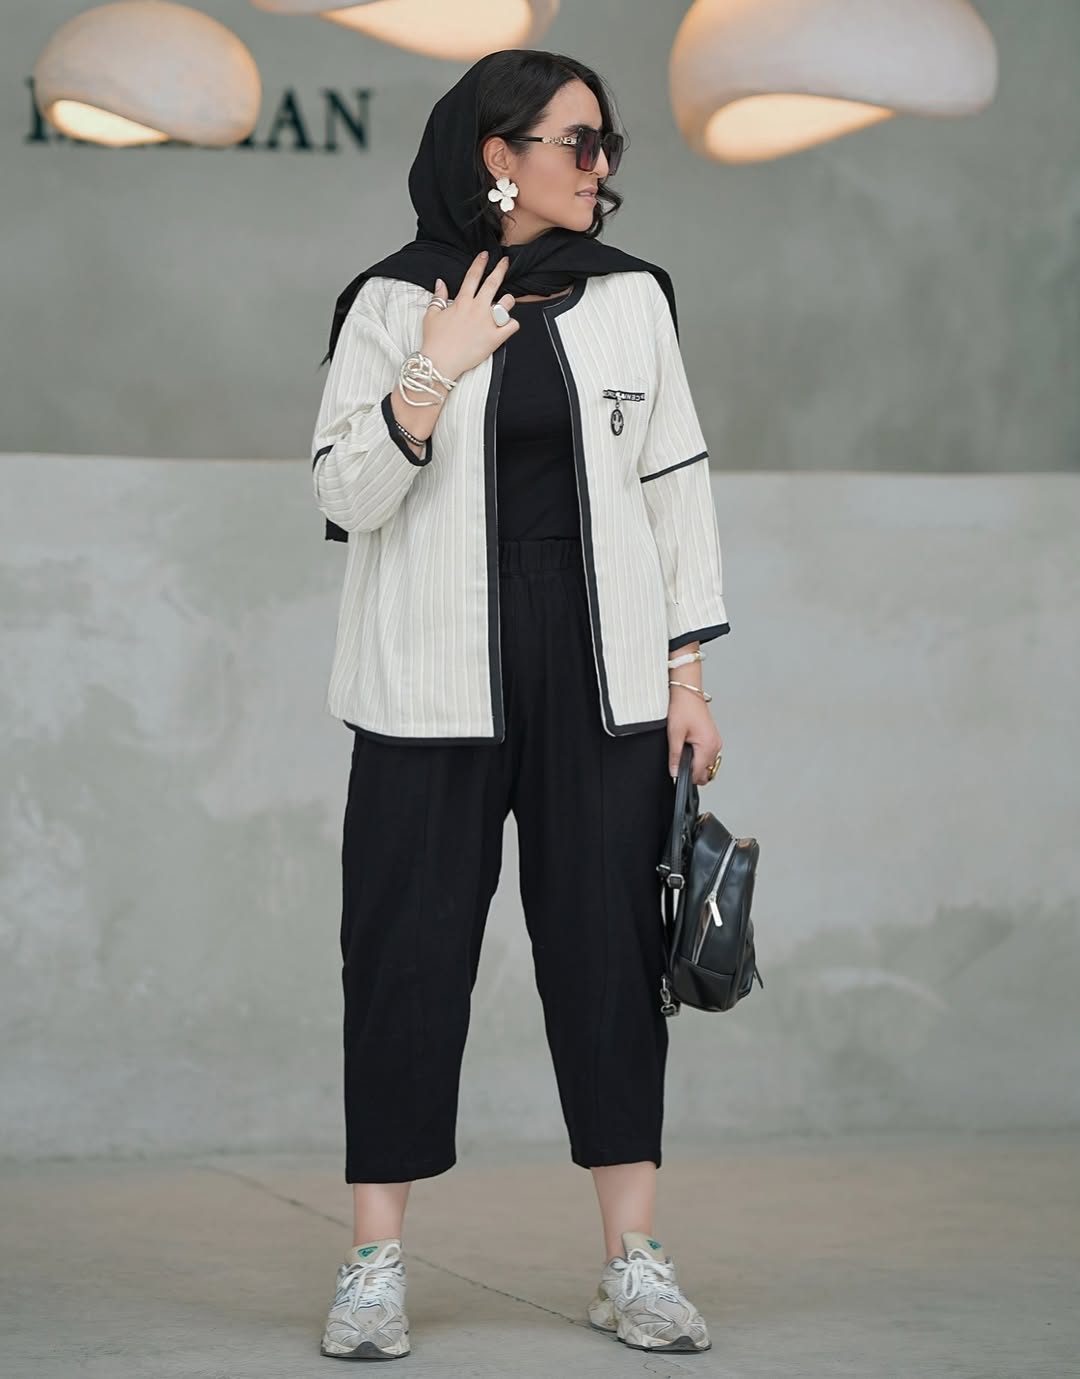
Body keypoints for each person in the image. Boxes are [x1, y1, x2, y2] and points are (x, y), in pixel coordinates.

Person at [310, 48, 730, 1361]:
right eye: (577, 143)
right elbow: (346, 494)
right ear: (500, 157)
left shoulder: (633, 299)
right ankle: (374, 1265)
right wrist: (430, 370)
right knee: (403, 959)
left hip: (600, 676)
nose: (601, 167)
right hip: (426, 678)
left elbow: (675, 494)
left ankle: (634, 1262)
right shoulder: (393, 301)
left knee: (610, 962)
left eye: (608, 146)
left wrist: (687, 679)